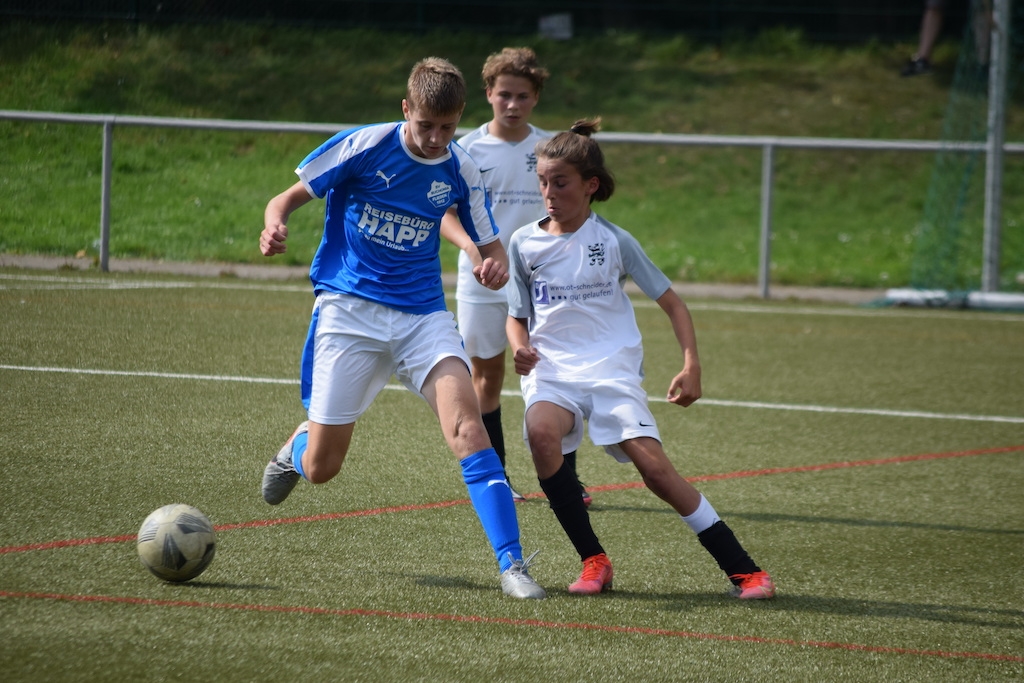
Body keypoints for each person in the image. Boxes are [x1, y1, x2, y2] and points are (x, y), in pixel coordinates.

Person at [258, 57, 545, 600]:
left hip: (423, 317)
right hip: (349, 312)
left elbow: (490, 245)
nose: (436, 139)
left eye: (447, 128)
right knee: (322, 468)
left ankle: (513, 564)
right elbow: (285, 199)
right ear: (406, 109)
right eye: (425, 125)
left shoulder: (460, 168)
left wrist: (494, 264)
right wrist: (275, 225)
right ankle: (297, 449)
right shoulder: (364, 145)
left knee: (469, 430)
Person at [505, 119, 775, 599]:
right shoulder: (524, 242)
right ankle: (593, 560)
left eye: (560, 183)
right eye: (542, 182)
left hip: (611, 370)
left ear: (590, 185)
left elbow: (674, 304)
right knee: (541, 434)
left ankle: (745, 571)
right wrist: (519, 347)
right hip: (553, 371)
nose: (548, 193)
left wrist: (691, 364)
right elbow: (516, 315)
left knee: (655, 471)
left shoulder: (614, 241)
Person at [441, 47, 592, 507]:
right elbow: (446, 212)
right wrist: (474, 251)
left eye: (522, 96)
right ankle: (499, 478)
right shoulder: (464, 148)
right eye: (504, 94)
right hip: (482, 280)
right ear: (488, 93)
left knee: (554, 374)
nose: (512, 104)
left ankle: (567, 480)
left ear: (536, 98)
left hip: (544, 283)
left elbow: (573, 210)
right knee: (485, 375)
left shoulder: (550, 149)